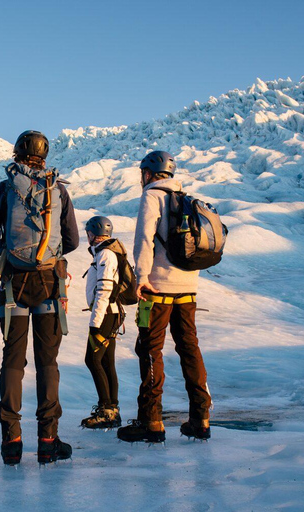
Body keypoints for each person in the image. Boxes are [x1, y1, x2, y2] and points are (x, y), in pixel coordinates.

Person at [0, 130, 79, 465]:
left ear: (17, 154)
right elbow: (74, 240)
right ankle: (48, 440)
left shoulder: (4, 189)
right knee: (47, 363)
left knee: (13, 361)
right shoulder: (58, 191)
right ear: (44, 156)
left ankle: (12, 440)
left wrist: (9, 250)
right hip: (50, 284)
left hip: (14, 286)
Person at [117, 151, 212, 443]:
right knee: (189, 349)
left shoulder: (152, 196)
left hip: (156, 290)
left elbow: (144, 240)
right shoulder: (184, 198)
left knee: (150, 350)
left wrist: (141, 279)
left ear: (147, 173)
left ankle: (152, 421)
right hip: (188, 288)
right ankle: (201, 418)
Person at [80, 216, 124, 430]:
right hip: (111, 314)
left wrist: (95, 322)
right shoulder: (106, 252)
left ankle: (106, 410)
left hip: (105, 315)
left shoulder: (106, 254)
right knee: (106, 362)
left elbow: (104, 289)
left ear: (92, 233)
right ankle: (111, 410)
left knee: (93, 360)